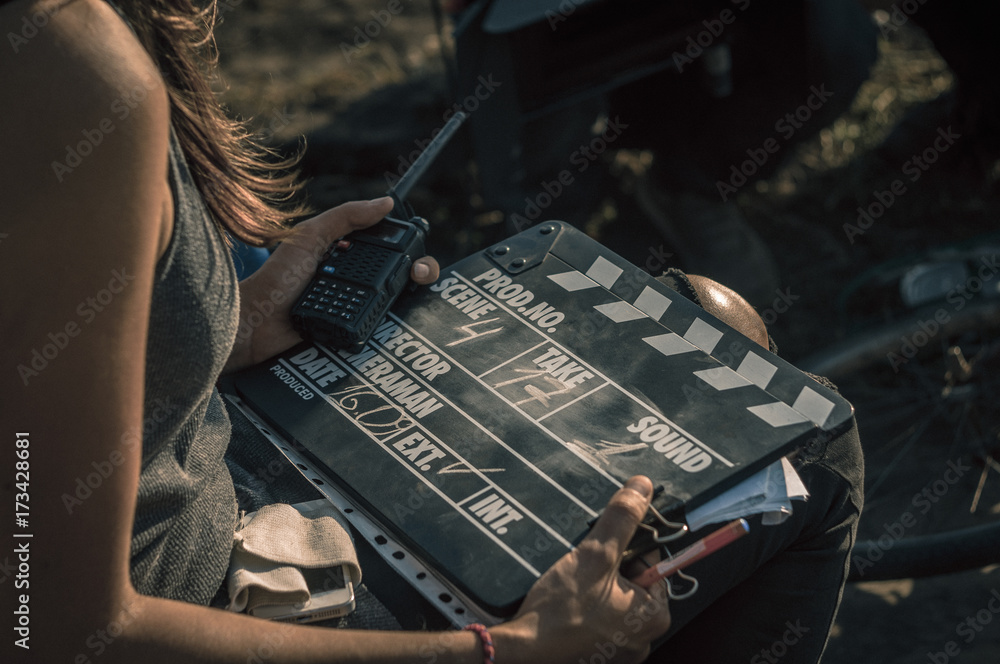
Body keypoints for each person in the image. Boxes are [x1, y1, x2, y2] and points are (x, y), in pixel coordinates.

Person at [0, 0, 861, 662]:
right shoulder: (70, 72)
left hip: (210, 466)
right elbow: (50, 627)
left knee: (714, 317)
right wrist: (504, 651)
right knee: (804, 451)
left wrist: (237, 328)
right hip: (213, 595)